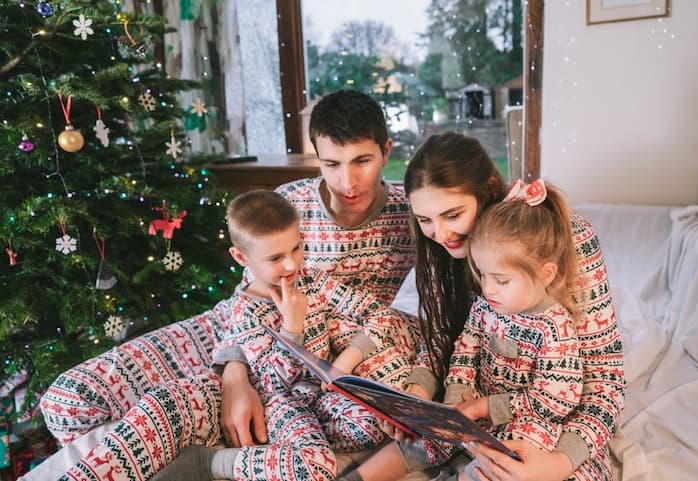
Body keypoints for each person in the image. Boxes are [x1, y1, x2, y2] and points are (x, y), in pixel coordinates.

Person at [40, 89, 418, 448]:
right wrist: (233, 373)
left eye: (362, 162)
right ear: (317, 156)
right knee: (68, 399)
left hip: (316, 355)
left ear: (386, 152)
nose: (347, 181)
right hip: (240, 329)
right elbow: (245, 296)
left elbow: (410, 315)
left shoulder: (414, 216)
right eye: (331, 164)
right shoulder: (288, 203)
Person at [58, 190, 411, 481]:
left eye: (296, 249)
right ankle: (209, 462)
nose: (291, 265)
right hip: (281, 407)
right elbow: (275, 383)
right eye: (275, 257)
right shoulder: (245, 312)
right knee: (316, 470)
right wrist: (292, 327)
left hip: (327, 395)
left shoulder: (315, 280)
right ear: (241, 257)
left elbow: (379, 315)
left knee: (380, 422)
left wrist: (349, 357)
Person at [353, 132, 625, 481]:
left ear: (488, 190)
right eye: (425, 220)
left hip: (552, 424)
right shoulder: (440, 245)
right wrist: (416, 400)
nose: (440, 233)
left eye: (453, 214)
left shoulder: (562, 238)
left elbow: (605, 379)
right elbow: (442, 340)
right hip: (475, 406)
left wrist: (559, 463)